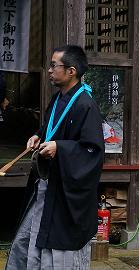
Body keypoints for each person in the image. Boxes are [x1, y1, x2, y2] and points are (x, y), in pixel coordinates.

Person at [6, 45, 104, 269]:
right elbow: (50, 129)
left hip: (66, 192)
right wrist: (38, 136)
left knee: (58, 251)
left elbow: (93, 151)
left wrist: (61, 148)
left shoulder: (85, 104)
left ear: (71, 71)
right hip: (48, 185)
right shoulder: (59, 98)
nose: (49, 70)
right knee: (29, 238)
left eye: (53, 65)